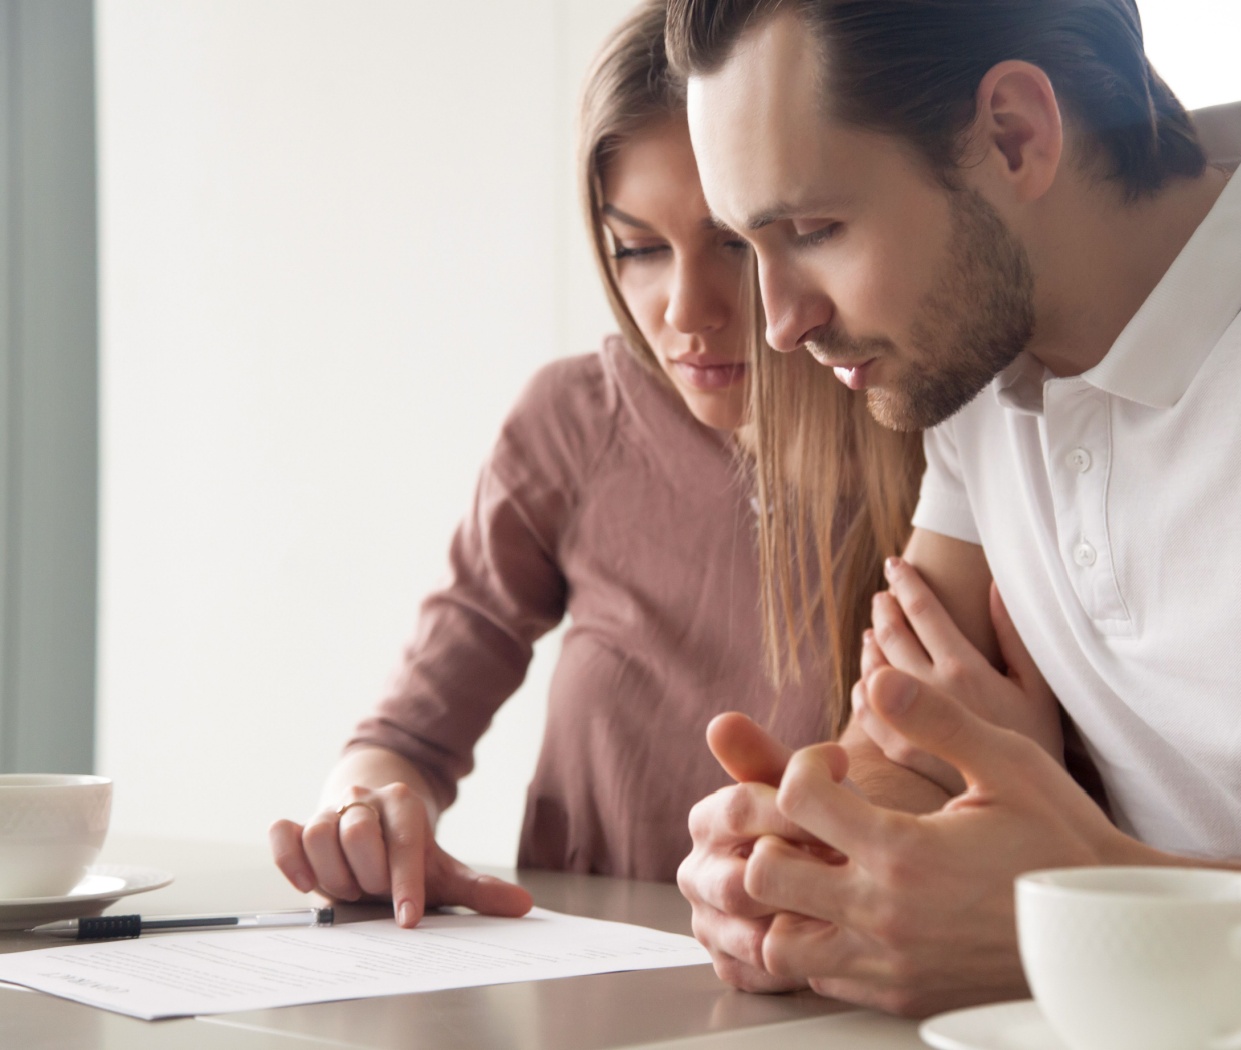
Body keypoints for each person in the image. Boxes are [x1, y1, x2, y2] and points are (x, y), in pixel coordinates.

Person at [662, 0, 1241, 1039]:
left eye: (812, 232)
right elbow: (910, 760)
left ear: (1016, 133)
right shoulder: (978, 368)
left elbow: (1055, 882)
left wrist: (1111, 910)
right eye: (752, 246)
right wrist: (813, 862)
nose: (780, 321)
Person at [266, 0, 922, 928]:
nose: (685, 310)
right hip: (586, 988)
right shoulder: (573, 422)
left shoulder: (935, 438)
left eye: (731, 243)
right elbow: (405, 736)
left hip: (825, 981)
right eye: (638, 250)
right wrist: (368, 809)